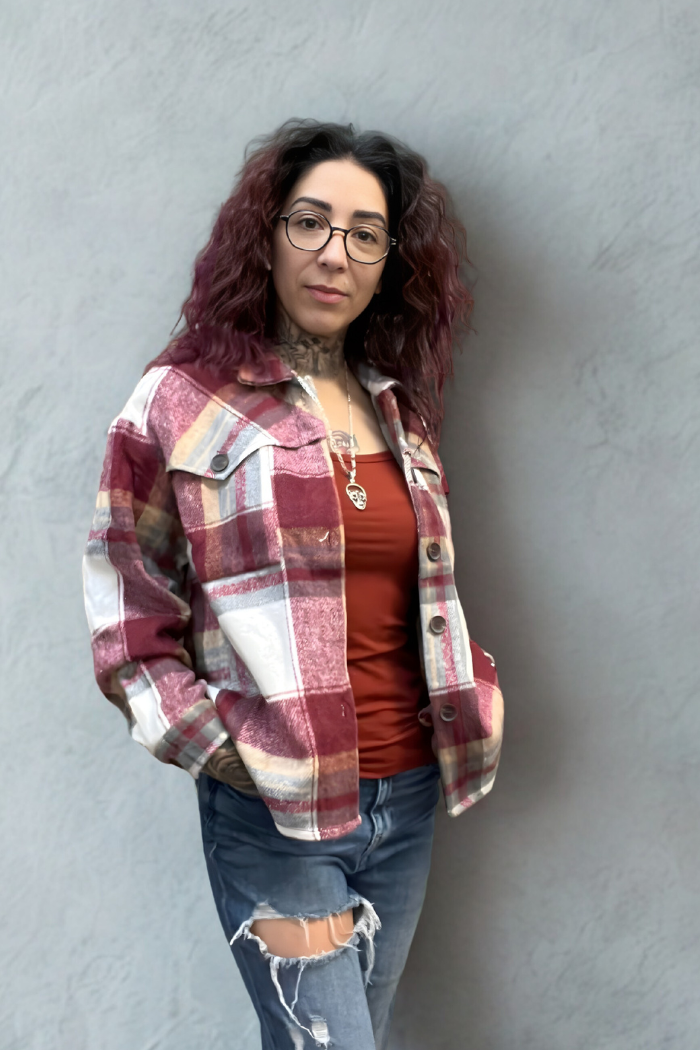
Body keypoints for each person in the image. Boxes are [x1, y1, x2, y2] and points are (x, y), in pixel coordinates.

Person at [83, 119, 504, 1050]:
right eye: (310, 222)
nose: (334, 254)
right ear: (266, 235)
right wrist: (215, 745)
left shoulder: (398, 408)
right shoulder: (181, 401)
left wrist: (478, 685)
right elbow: (125, 598)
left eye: (366, 234)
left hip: (406, 800)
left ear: (389, 264)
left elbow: (421, 592)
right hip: (277, 808)